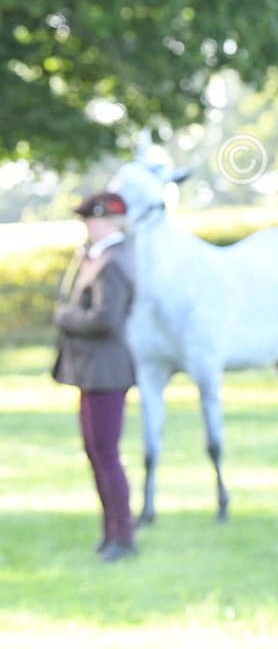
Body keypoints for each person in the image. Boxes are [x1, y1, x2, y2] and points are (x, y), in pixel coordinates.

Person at [52, 191, 139, 562]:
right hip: (91, 371)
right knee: (96, 453)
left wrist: (64, 317)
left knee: (106, 453)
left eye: (89, 219)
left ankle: (124, 534)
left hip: (107, 371)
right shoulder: (97, 258)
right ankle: (110, 530)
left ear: (105, 219)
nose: (85, 226)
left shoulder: (113, 261)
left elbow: (106, 319)